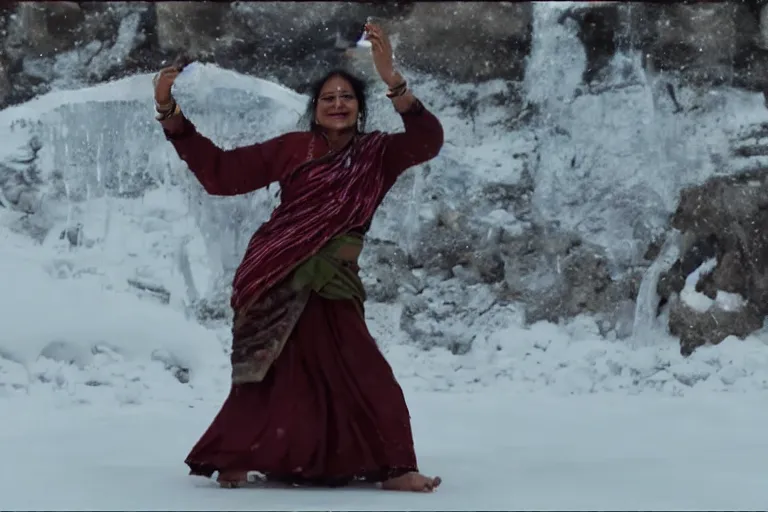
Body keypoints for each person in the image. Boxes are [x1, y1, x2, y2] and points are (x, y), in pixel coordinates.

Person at [152, 22, 444, 492]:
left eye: (346, 97)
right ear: (315, 109)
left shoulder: (378, 153)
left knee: (362, 368)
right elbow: (221, 174)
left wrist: (393, 80)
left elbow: (427, 140)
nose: (337, 103)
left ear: (360, 108)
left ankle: (394, 466)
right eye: (327, 98)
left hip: (333, 278)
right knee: (267, 369)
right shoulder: (295, 149)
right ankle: (234, 456)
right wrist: (170, 114)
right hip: (276, 270)